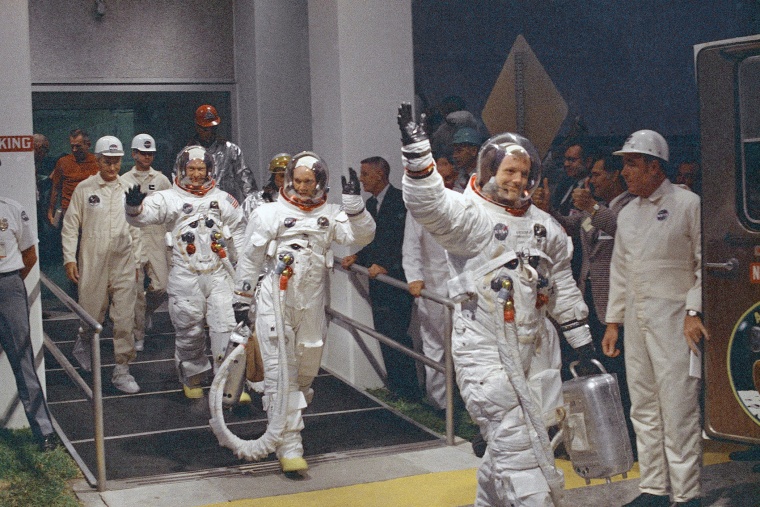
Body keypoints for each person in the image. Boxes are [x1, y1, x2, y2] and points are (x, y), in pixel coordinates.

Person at [397, 103, 597, 506]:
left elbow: (558, 282)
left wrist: (581, 338)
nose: (517, 179)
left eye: (524, 173)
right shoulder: (471, 215)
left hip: (535, 348)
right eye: (509, 171)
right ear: (490, 171)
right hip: (485, 348)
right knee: (519, 446)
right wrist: (418, 154)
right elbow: (429, 205)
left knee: (527, 436)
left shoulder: (546, 227)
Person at [234, 152, 375, 473]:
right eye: (296, 181)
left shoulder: (331, 214)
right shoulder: (268, 213)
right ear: (287, 181)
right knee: (279, 369)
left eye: (308, 181)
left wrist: (355, 207)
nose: (301, 186)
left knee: (305, 371)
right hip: (275, 300)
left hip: (312, 303)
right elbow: (250, 259)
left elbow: (361, 237)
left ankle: (283, 418)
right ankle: (289, 443)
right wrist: (242, 298)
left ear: (319, 182)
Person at [602, 130, 707, 507]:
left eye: (632, 163)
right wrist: (613, 322)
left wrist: (694, 310)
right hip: (637, 320)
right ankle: (653, 488)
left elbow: (702, 265)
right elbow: (620, 269)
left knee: (678, 406)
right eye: (624, 163)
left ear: (654, 165)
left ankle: (687, 493)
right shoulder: (626, 214)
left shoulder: (688, 204)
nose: (625, 171)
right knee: (643, 404)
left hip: (676, 320)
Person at [125, 145, 246, 399]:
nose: (196, 174)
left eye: (201, 168)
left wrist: (244, 272)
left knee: (225, 327)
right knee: (189, 329)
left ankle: (229, 382)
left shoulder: (223, 199)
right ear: (182, 169)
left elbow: (241, 236)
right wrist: (134, 206)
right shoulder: (169, 198)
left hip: (218, 274)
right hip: (186, 275)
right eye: (191, 168)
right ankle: (193, 378)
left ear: (209, 170)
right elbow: (142, 217)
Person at [535, 152, 637, 448]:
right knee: (595, 366)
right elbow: (567, 224)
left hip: (616, 302)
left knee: (620, 372)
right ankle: (604, 434)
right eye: (590, 175)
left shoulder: (630, 205)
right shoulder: (596, 208)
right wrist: (549, 209)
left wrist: (592, 207)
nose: (591, 180)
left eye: (597, 175)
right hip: (589, 298)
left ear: (615, 175)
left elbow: (623, 230)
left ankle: (629, 437)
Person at [62, 136, 141, 394]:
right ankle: (82, 343)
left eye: (116, 162)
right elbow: (71, 226)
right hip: (92, 258)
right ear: (97, 160)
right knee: (91, 314)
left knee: (125, 318)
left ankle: (122, 369)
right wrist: (70, 258)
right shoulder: (85, 189)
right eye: (107, 162)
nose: (112, 167)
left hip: (124, 259)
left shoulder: (130, 188)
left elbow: (139, 225)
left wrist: (138, 260)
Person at [341, 156, 423, 402]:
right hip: (378, 284)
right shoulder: (372, 204)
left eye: (365, 174)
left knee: (398, 336)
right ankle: (396, 388)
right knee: (385, 336)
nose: (361, 180)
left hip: (396, 281)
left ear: (379, 175)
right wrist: (358, 256)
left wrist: (388, 266)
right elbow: (373, 241)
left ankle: (411, 393)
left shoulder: (400, 202)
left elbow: (404, 242)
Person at [0, 196, 58, 451]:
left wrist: (10, 283)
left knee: (23, 361)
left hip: (7, 285)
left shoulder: (11, 209)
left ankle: (44, 432)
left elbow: (30, 254)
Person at [401, 155, 457, 410]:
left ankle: (470, 402)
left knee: (467, 347)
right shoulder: (420, 208)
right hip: (432, 285)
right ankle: (440, 403)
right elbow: (411, 247)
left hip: (464, 285)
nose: (444, 182)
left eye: (448, 177)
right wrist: (415, 278)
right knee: (435, 344)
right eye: (439, 178)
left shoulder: (465, 202)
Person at [120, 134, 172, 352]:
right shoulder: (123, 180)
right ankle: (138, 333)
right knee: (136, 289)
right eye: (143, 153)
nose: (147, 157)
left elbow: (171, 210)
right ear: (134, 154)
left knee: (160, 286)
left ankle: (148, 312)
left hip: (156, 236)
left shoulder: (161, 180)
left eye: (151, 153)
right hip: (133, 237)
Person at [187, 104, 256, 204]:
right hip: (198, 205)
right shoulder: (188, 153)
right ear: (197, 127)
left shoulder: (231, 150)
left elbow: (246, 180)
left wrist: (254, 204)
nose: (209, 133)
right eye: (206, 129)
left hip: (227, 205)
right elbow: (180, 181)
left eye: (213, 128)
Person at [48, 128, 99, 228]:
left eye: (78, 146)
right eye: (72, 146)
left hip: (92, 211)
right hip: (68, 212)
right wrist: (50, 212)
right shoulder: (63, 162)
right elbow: (55, 189)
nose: (75, 150)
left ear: (88, 145)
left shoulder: (97, 162)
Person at [241, 152, 290, 221]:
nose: (286, 180)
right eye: (282, 176)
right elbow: (240, 227)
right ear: (272, 177)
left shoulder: (300, 201)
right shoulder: (253, 201)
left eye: (290, 176)